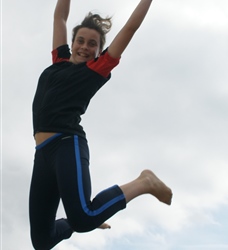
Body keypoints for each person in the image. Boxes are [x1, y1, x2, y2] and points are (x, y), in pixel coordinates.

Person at [29, 0, 173, 249]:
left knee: (84, 218)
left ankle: (144, 182)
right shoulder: (59, 61)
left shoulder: (96, 70)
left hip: (66, 143)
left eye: (92, 44)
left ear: (98, 52)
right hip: (42, 154)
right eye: (81, 41)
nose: (85, 47)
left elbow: (129, 29)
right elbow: (60, 18)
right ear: (72, 43)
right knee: (42, 241)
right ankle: (88, 216)